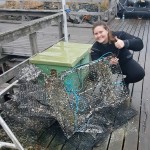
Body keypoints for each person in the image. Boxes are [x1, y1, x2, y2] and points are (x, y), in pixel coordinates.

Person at [90, 21, 145, 90]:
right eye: (96, 34)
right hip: (108, 68)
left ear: (107, 30)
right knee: (94, 75)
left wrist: (125, 43)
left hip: (124, 63)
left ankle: (124, 82)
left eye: (101, 32)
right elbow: (96, 64)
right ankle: (106, 88)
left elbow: (140, 44)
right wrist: (108, 62)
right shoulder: (95, 48)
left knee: (139, 74)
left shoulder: (119, 35)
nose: (99, 35)